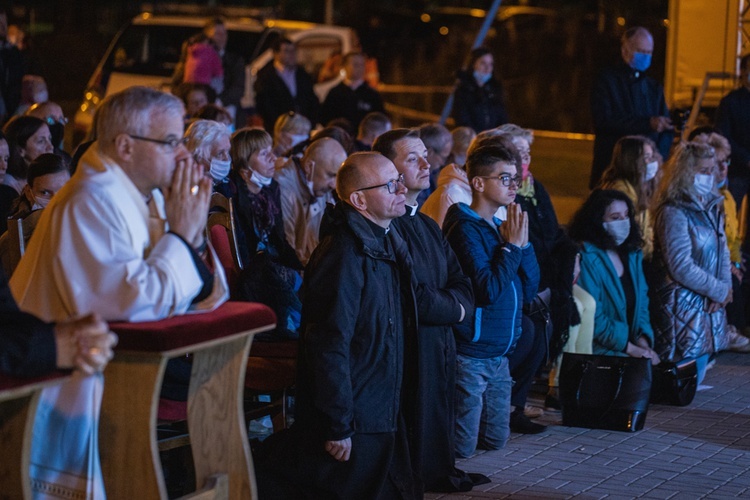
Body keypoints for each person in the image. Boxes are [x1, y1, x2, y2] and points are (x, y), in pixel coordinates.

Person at [9, 86, 227, 499]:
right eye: (170, 142)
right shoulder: (91, 200)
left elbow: (191, 291)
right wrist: (181, 234)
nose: (183, 154)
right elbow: (133, 305)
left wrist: (191, 233)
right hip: (57, 385)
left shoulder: (142, 196)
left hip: (118, 372)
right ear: (125, 146)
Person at [257, 152, 418, 499]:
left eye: (399, 179)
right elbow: (328, 343)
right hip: (355, 420)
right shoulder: (344, 254)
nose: (402, 188)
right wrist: (338, 424)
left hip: (378, 410)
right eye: (391, 184)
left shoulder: (383, 239)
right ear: (359, 200)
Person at [372, 129, 482, 492]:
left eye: (425, 155)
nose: (426, 163)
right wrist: (457, 310)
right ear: (390, 170)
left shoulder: (425, 224)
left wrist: (459, 308)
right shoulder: (387, 228)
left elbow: (460, 279)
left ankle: (437, 469)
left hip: (440, 336)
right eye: (412, 158)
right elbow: (412, 294)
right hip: (413, 341)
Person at [443, 141, 540, 458]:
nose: (514, 185)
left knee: (497, 440)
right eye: (504, 178)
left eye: (515, 178)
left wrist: (522, 247)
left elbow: (529, 289)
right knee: (462, 448)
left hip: (499, 355)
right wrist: (510, 249)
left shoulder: (501, 227)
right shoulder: (464, 227)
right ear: (479, 183)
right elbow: (487, 289)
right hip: (471, 354)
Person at [649, 143, 731, 384]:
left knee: (696, 378)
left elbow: (721, 249)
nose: (708, 176)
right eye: (701, 170)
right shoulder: (673, 211)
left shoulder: (711, 207)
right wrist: (717, 289)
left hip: (707, 305)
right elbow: (680, 264)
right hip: (682, 307)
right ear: (685, 172)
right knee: (682, 384)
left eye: (710, 170)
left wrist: (724, 289)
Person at [226, 127, 303, 337]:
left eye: (271, 151)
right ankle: (288, 329)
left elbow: (279, 239)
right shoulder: (233, 192)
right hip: (252, 269)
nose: (273, 157)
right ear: (244, 161)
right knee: (274, 275)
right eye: (263, 153)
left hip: (272, 262)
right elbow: (243, 248)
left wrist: (304, 263)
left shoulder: (271, 188)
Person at [568, 189, 659, 363]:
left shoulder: (632, 254)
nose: (624, 223)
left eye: (626, 216)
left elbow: (642, 303)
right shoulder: (586, 256)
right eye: (615, 218)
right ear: (597, 221)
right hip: (598, 350)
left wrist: (644, 343)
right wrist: (630, 349)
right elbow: (594, 316)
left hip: (628, 347)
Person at [590, 26, 673, 189]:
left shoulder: (652, 88)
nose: (646, 56)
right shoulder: (606, 81)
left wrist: (658, 157)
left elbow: (666, 128)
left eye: (649, 52)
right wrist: (647, 124)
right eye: (641, 51)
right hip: (612, 169)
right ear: (625, 50)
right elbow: (604, 120)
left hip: (645, 175)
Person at [690, 132, 750, 350]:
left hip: (725, 259)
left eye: (726, 161)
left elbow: (732, 240)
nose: (723, 168)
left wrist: (734, 261)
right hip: (705, 262)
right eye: (716, 164)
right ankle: (732, 328)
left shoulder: (727, 197)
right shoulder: (703, 200)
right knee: (731, 279)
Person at [274, 137, 346, 265]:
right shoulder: (282, 187)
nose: (334, 185)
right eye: (331, 175)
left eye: (338, 177)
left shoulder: (319, 187)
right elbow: (286, 251)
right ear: (308, 166)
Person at [0, 153, 70, 276]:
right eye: (45, 192)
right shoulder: (11, 240)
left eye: (63, 191)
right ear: (28, 192)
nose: (54, 200)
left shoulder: (86, 229)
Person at [171, 18, 246, 128]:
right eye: (217, 33)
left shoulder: (235, 60)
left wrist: (218, 102)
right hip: (195, 113)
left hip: (222, 110)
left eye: (224, 33)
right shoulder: (192, 55)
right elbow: (176, 85)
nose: (222, 37)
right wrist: (189, 100)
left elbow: (238, 88)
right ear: (207, 36)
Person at [599, 135, 659, 259]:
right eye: (646, 157)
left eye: (651, 157)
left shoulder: (639, 187)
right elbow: (631, 234)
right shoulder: (621, 192)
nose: (651, 163)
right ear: (631, 160)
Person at [254, 37, 320, 132]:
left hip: (302, 128)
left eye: (293, 51)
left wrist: (311, 122)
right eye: (287, 51)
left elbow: (311, 99)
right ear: (276, 54)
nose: (292, 55)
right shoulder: (266, 76)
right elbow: (264, 104)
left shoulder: (302, 74)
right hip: (278, 129)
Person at [1, 115, 53, 233]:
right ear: (20, 149)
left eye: (50, 139)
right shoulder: (7, 189)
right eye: (41, 141)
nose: (50, 146)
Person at [715, 54, 750, 217]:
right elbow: (724, 136)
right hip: (736, 170)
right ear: (742, 71)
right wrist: (746, 158)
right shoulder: (730, 101)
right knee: (728, 215)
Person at [320, 51, 385, 132]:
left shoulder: (372, 94)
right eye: (355, 64)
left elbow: (380, 119)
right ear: (344, 66)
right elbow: (325, 118)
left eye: (362, 65)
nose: (360, 68)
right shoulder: (335, 93)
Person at [451, 47, 509, 133]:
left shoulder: (495, 90)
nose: (487, 68)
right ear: (473, 64)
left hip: (494, 139)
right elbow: (462, 119)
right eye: (483, 63)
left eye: (490, 64)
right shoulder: (463, 90)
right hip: (473, 140)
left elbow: (502, 117)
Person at [184, 119, 232, 187]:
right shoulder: (186, 187)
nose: (227, 159)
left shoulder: (229, 185)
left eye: (227, 151)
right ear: (198, 157)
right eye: (220, 153)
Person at [417, 123, 453, 206]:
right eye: (443, 158)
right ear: (430, 152)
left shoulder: (433, 174)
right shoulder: (415, 179)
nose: (443, 163)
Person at [183, 33, 224, 97]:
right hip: (204, 82)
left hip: (188, 82)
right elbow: (217, 69)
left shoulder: (190, 51)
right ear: (206, 41)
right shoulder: (210, 51)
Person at [0, 9, 23, 123]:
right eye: (0, 24)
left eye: (5, 23)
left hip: (9, 110)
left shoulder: (13, 52)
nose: (4, 28)